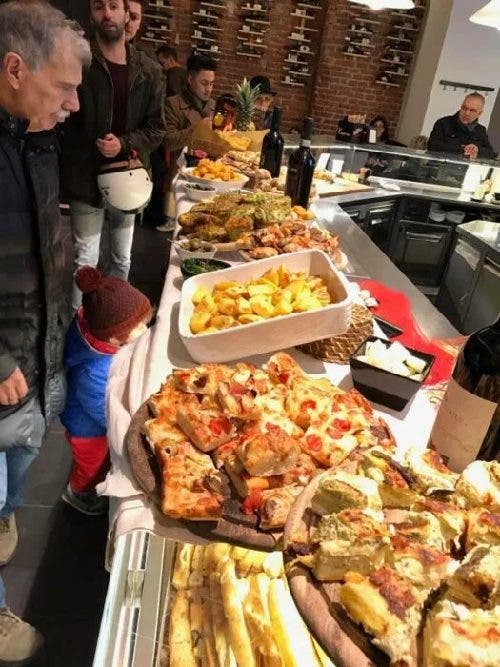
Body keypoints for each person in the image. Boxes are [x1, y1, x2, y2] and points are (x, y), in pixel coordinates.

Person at [0, 1, 90, 663]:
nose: (74, 103)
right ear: (14, 69)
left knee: (18, 470)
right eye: (63, 87)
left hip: (37, 354)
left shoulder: (34, 136)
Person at [60, 0, 165, 311]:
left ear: (126, 14)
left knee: (122, 258)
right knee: (85, 262)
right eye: (98, 7)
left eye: (113, 6)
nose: (106, 13)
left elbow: (156, 129)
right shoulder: (79, 62)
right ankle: (80, 329)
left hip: (127, 178)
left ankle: (113, 319)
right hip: (84, 179)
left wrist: (124, 143)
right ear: (91, 15)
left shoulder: (148, 70)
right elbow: (61, 120)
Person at [60, 267, 151, 515]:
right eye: (137, 327)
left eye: (145, 322)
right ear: (113, 339)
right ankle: (78, 492)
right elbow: (102, 411)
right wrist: (122, 427)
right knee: (91, 466)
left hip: (93, 419)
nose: (144, 330)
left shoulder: (96, 329)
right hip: (88, 431)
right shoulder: (93, 371)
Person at [156, 52, 216, 232]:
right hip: (182, 177)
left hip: (211, 177)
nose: (209, 89)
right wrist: (197, 128)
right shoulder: (172, 104)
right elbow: (168, 141)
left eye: (212, 84)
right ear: (190, 79)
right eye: (204, 83)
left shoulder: (214, 106)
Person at [427, 92, 496, 159]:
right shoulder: (443, 123)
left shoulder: (481, 130)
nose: (466, 113)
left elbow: (491, 154)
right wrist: (463, 149)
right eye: (464, 108)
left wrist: (477, 150)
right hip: (441, 165)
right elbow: (432, 146)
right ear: (461, 107)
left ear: (479, 113)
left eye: (472, 110)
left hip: (467, 166)